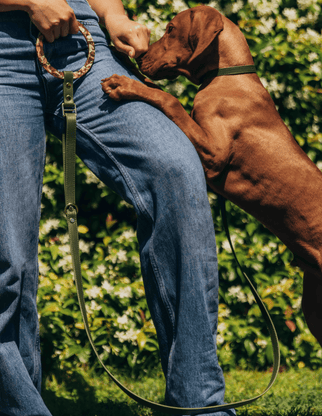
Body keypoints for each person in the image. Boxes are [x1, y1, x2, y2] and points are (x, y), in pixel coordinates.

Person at [0, 1, 235, 415]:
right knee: (7, 257)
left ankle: (200, 405)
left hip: (81, 42)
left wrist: (115, 17)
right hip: (4, 53)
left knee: (174, 167)